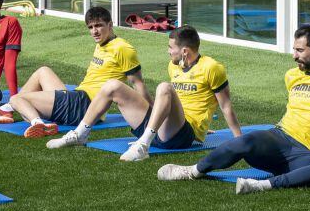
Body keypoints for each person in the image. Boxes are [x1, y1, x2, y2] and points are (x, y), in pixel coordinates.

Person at [158, 24, 310, 194]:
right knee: (246, 140)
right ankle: (192, 171)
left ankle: (262, 185)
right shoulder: (292, 75)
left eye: (299, 50)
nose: (294, 56)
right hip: (280, 139)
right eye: (294, 50)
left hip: (307, 154)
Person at [46, 25, 243, 158]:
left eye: (170, 47)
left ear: (184, 51)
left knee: (164, 87)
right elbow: (172, 105)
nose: (168, 51)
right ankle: (80, 135)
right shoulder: (173, 65)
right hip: (165, 127)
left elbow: (225, 106)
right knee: (113, 85)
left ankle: (142, 146)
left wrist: (239, 141)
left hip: (183, 135)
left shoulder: (212, 67)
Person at [0, 6, 142, 138]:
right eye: (90, 27)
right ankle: (7, 109)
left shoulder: (122, 48)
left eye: (99, 26)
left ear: (110, 25)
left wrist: (150, 113)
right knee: (43, 71)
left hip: (84, 106)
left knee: (18, 98)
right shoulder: (103, 43)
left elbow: (137, 83)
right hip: (77, 98)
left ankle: (38, 123)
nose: (94, 31)